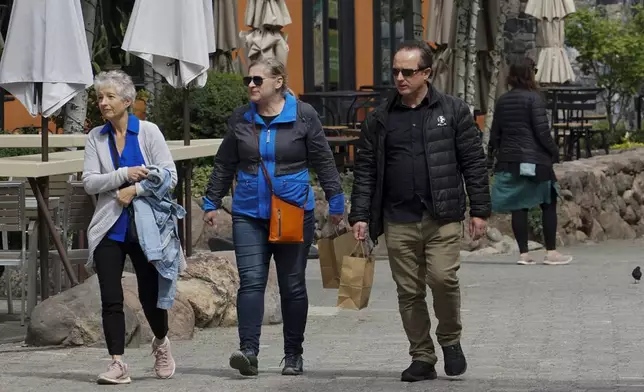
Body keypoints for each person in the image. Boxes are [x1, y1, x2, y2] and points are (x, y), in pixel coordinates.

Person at [348, 41, 491, 383]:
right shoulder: (380, 119)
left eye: (407, 72)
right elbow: (365, 170)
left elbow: (473, 162)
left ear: (426, 74)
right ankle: (423, 356)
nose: (399, 77)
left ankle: (450, 340)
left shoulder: (454, 111)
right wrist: (361, 216)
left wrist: (480, 210)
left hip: (441, 215)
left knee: (443, 279)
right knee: (408, 291)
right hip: (398, 218)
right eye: (395, 71)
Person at [202, 58, 344, 377]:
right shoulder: (240, 118)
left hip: (293, 211)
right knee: (251, 282)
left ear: (278, 82)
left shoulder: (304, 115)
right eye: (247, 81)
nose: (250, 85)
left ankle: (293, 354)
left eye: (257, 79)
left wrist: (336, 203)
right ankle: (249, 352)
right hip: (249, 213)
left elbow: (323, 160)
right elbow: (225, 162)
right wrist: (211, 201)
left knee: (292, 285)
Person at [82, 70, 180, 384]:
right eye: (100, 97)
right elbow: (89, 183)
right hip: (110, 227)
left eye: (110, 96)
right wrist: (124, 175)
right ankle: (117, 363)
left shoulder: (148, 132)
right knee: (110, 297)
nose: (103, 102)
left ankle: (162, 342)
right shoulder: (96, 137)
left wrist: (136, 190)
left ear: (127, 100)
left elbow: (170, 175)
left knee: (150, 295)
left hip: (146, 227)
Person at [488, 57, 572, 266]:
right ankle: (551, 253)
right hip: (536, 160)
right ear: (529, 74)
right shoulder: (534, 99)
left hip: (510, 160)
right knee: (548, 201)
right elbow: (542, 132)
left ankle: (524, 255)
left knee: (519, 205)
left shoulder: (503, 100)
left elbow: (495, 134)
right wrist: (554, 152)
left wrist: (494, 157)